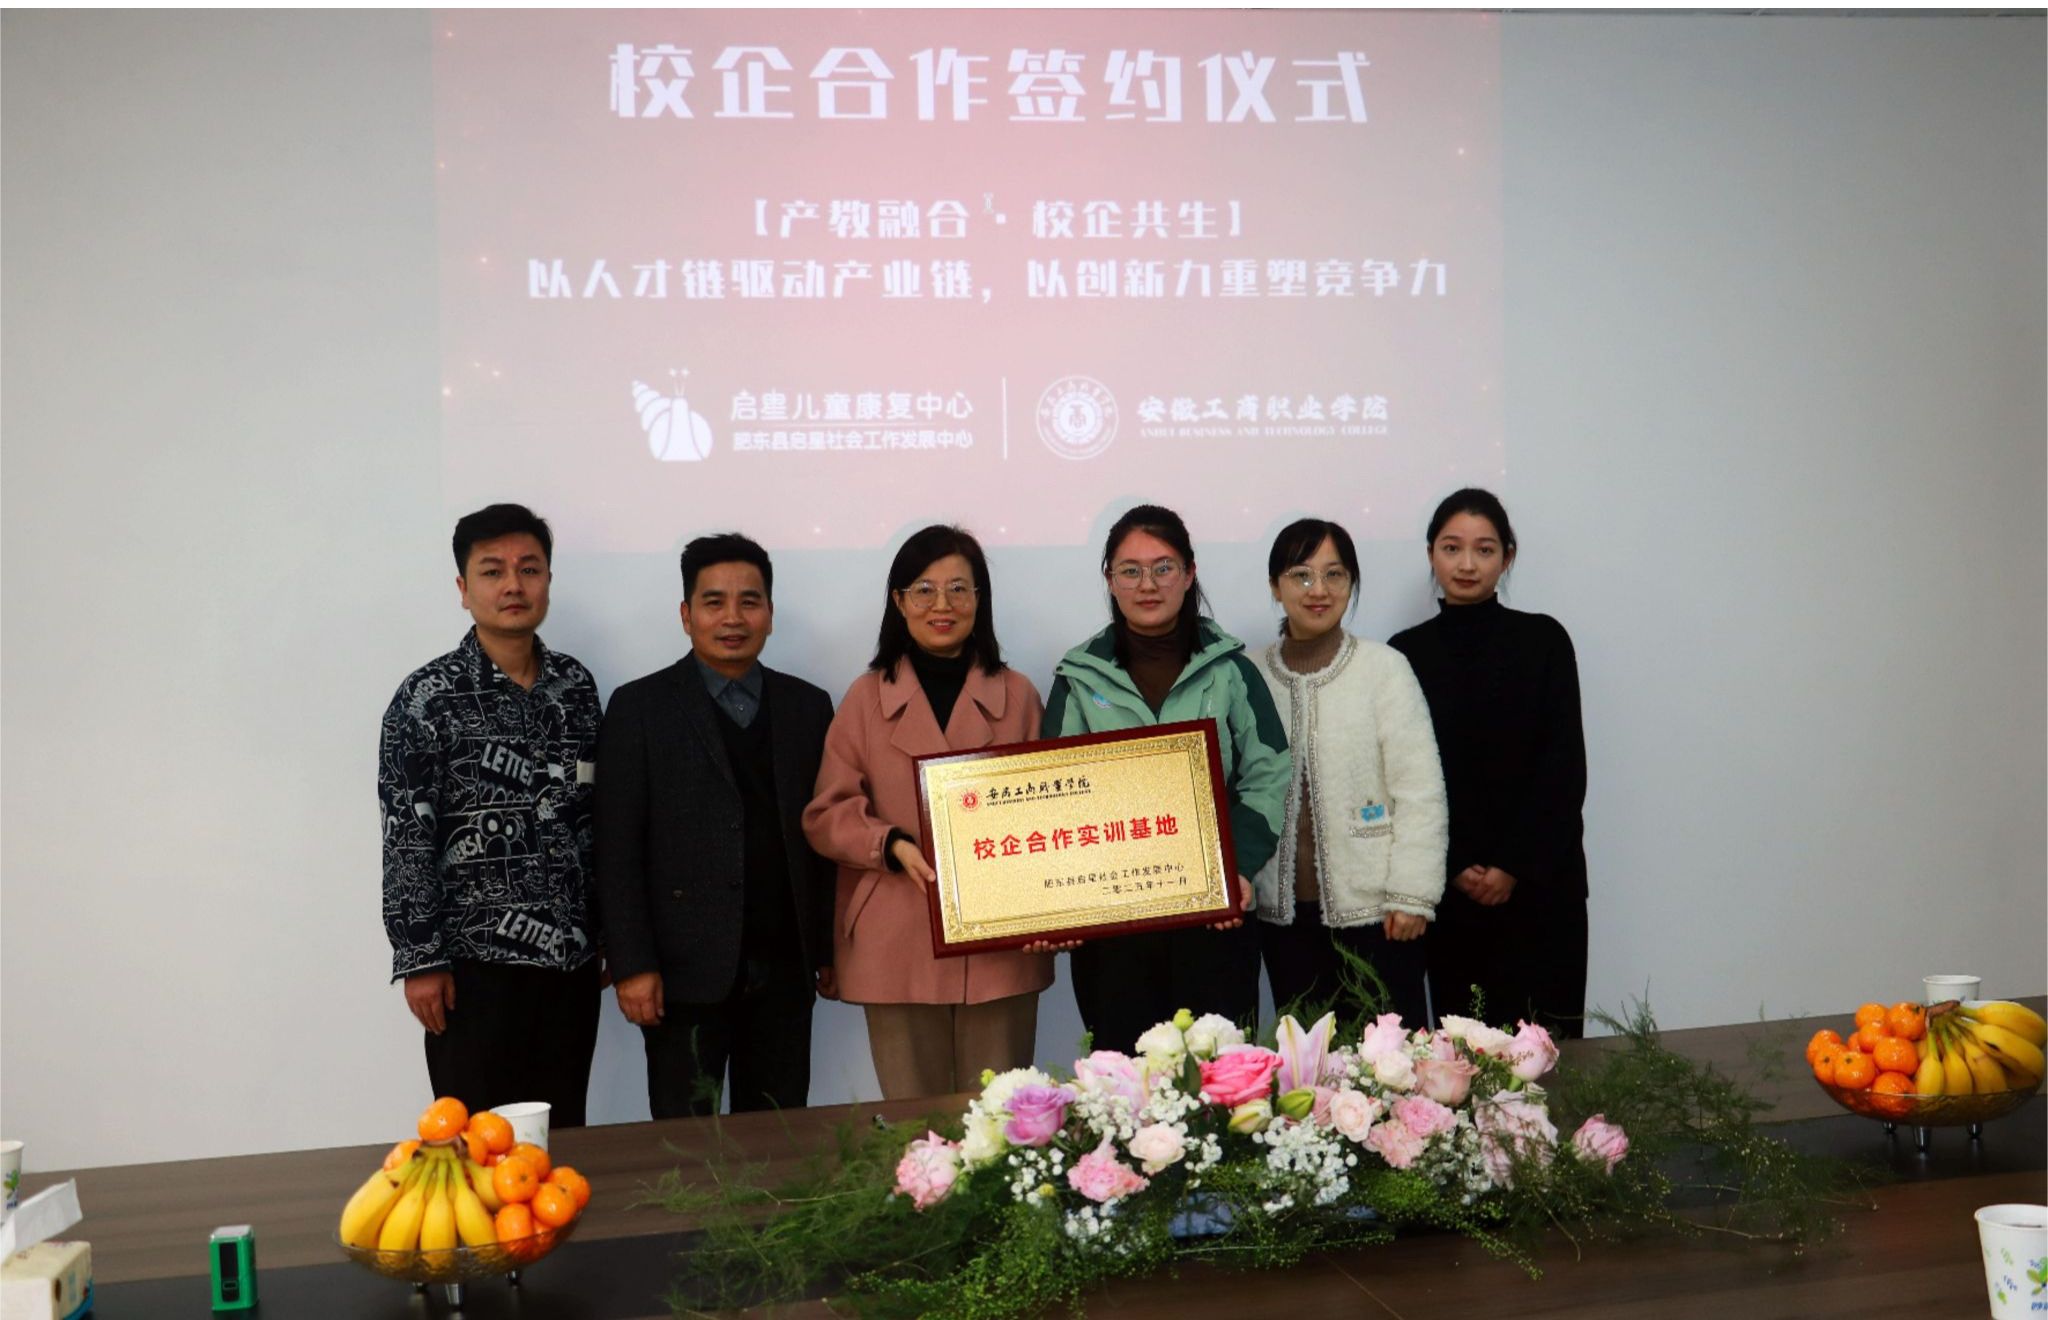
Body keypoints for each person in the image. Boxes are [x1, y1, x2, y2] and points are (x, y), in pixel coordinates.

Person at [803, 526, 1053, 1099]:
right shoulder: (865, 698)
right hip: (895, 937)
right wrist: (887, 842)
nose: (943, 605)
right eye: (924, 590)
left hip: (999, 941)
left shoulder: (1019, 695)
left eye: (959, 589)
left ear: (980, 600)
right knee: (916, 1130)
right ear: (898, 601)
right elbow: (826, 813)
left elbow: (1049, 813)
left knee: (1000, 1124)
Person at [594, 533, 836, 1117]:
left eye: (749, 601)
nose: (733, 618)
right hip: (680, 977)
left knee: (781, 1138)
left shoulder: (808, 706)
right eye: (713, 602)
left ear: (770, 614)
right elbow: (615, 849)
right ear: (686, 615)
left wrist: (828, 949)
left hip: (785, 970)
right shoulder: (639, 708)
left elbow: (824, 839)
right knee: (686, 1145)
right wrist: (632, 964)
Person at [378, 503, 604, 1125]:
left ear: (548, 581)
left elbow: (594, 821)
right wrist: (420, 959)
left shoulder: (576, 689)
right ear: (463, 588)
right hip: (472, 971)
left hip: (568, 963)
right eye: (493, 571)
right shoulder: (427, 699)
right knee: (478, 1141)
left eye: (529, 569)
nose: (513, 585)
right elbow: (406, 836)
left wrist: (605, 934)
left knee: (562, 1138)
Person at [1042, 504, 1291, 1053]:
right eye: (1130, 570)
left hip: (1215, 915)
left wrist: (1235, 867)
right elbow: (1056, 796)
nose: (1147, 584)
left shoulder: (1230, 670)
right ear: (1110, 579)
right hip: (1114, 927)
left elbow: (1269, 772)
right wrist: (1061, 897)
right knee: (1123, 1081)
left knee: (1221, 1078)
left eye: (1163, 567)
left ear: (1189, 573)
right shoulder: (1079, 677)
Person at [1389, 489, 1589, 1038]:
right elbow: (1403, 776)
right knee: (1461, 1059)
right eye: (1452, 547)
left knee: (1550, 1058)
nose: (1467, 564)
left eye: (1484, 549)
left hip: (1541, 887)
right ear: (1431, 554)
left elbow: (1562, 767)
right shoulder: (1403, 653)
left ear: (1508, 556)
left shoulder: (1544, 640)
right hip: (1449, 894)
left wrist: (1511, 866)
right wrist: (1455, 863)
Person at [1251, 519, 1448, 1029]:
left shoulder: (1384, 668)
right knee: (1307, 1062)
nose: (1318, 590)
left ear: (1351, 583)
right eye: (1301, 575)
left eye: (1334, 574)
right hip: (1283, 919)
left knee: (1393, 1060)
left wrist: (1413, 894)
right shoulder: (1250, 675)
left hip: (1381, 916)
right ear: (1275, 586)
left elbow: (1421, 790)